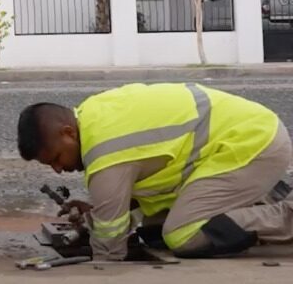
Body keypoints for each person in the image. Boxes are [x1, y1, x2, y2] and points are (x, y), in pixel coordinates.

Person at [16, 83, 293, 260]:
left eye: (55, 158)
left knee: (182, 235)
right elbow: (140, 185)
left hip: (253, 146)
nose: (58, 170)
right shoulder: (93, 113)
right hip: (247, 137)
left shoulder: (104, 153)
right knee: (154, 231)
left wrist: (96, 261)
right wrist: (96, 211)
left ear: (68, 133)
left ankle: (285, 214)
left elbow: (110, 249)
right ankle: (263, 194)